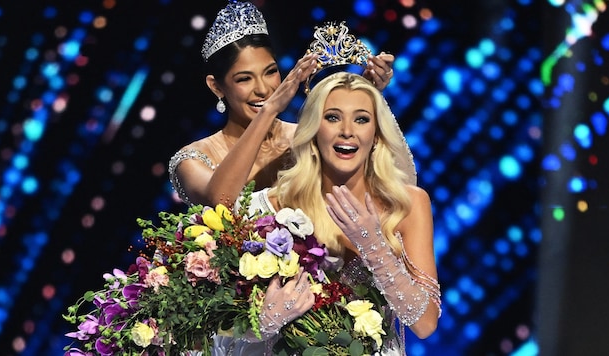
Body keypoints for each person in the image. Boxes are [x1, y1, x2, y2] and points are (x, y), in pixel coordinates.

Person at [235, 71, 441, 355]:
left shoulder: (406, 205)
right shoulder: (270, 207)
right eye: (332, 117)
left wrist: (372, 244)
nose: (347, 130)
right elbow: (217, 329)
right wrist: (262, 322)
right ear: (313, 130)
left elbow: (425, 323)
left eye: (361, 119)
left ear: (377, 134)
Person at [168, 0, 408, 209]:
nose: (263, 89)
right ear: (216, 86)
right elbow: (221, 202)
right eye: (244, 79)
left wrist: (367, 92)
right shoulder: (192, 159)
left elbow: (381, 178)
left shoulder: (305, 138)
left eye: (270, 72)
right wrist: (270, 109)